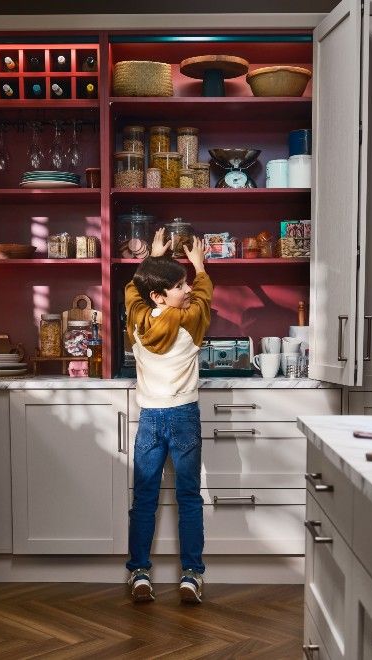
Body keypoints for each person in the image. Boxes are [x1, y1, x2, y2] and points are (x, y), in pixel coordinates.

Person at [124, 227, 212, 604]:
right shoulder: (190, 322)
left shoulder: (137, 321)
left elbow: (132, 291)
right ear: (160, 294)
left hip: (150, 419)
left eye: (186, 283)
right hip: (183, 417)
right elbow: (205, 294)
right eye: (179, 286)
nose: (188, 288)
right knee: (189, 497)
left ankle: (140, 573)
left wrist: (151, 261)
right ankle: (191, 576)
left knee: (145, 499)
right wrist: (200, 265)